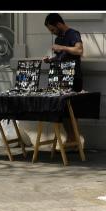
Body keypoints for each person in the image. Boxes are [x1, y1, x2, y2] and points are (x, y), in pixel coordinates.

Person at [43, 13, 84, 143]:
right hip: (61, 78)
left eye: (53, 29)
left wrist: (62, 47)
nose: (52, 33)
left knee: (73, 111)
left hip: (74, 77)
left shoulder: (73, 34)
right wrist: (51, 60)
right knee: (62, 111)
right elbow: (61, 57)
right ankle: (71, 137)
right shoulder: (58, 39)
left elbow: (79, 51)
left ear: (59, 24)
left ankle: (75, 139)